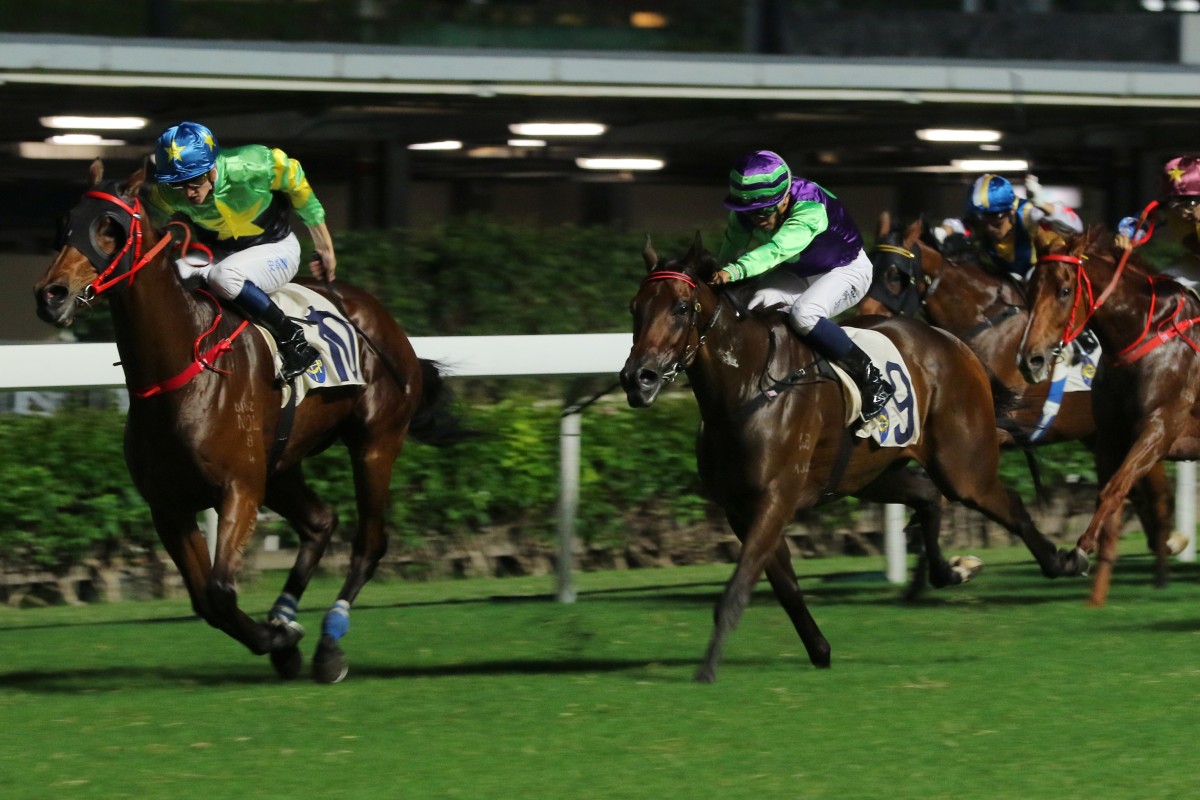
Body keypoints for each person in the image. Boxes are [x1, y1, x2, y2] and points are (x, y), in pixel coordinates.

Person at [147, 121, 337, 381]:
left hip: (275, 248)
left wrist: (324, 246)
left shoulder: (253, 165)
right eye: (178, 183)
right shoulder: (169, 193)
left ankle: (295, 342)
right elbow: (149, 228)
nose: (189, 193)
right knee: (173, 274)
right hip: (220, 252)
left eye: (195, 180)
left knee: (224, 277)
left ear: (212, 166)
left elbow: (297, 183)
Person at [710, 150, 892, 419]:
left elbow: (775, 250)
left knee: (804, 314)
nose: (756, 218)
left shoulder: (810, 208)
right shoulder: (743, 213)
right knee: (754, 307)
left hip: (846, 269)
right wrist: (717, 272)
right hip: (798, 271)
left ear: (784, 198)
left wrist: (734, 271)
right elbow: (731, 249)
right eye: (748, 211)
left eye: (764, 210)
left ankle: (872, 379)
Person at [963, 173, 1083, 281]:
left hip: (1045, 280)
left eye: (997, 224)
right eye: (984, 222)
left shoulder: (1029, 214)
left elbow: (1076, 227)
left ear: (1012, 211)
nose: (989, 229)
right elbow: (953, 225)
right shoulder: (974, 226)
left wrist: (1041, 204)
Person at [1114, 155, 1200, 289]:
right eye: (1176, 204)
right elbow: (1143, 221)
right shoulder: (1172, 214)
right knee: (1165, 284)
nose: (1183, 212)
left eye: (1191, 202)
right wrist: (1127, 235)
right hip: (1195, 263)